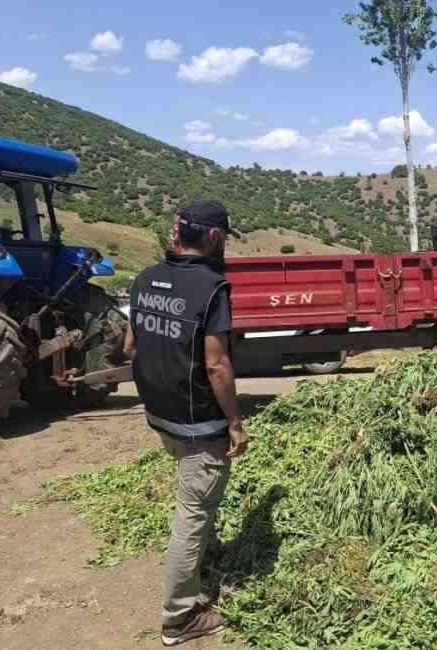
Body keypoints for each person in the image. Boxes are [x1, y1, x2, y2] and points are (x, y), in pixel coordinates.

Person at [123, 200, 249, 647]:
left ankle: (207, 556)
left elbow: (130, 345)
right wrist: (234, 422)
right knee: (192, 513)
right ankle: (179, 617)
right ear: (213, 237)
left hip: (161, 416)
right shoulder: (212, 288)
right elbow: (217, 365)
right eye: (226, 238)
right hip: (199, 424)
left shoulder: (142, 279)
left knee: (197, 500)